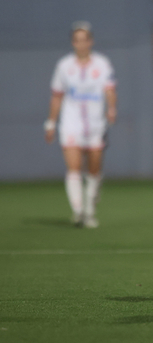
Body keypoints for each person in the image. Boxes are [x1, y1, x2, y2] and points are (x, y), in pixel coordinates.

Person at [45, 21, 117, 228]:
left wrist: (111, 109)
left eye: (85, 40)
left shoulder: (102, 64)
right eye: (77, 40)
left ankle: (90, 206)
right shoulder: (64, 66)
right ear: (73, 43)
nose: (81, 44)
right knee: (74, 168)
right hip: (71, 123)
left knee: (94, 170)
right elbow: (57, 96)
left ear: (90, 41)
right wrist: (50, 123)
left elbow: (109, 90)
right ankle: (80, 212)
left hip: (96, 124)